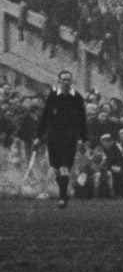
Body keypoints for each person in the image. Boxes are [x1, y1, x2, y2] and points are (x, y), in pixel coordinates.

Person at [32, 70, 89, 208]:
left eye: (68, 80)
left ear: (71, 81)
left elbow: (82, 120)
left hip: (69, 137)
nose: (66, 82)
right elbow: (45, 118)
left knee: (65, 167)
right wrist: (38, 137)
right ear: (59, 81)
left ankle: (62, 198)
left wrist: (83, 138)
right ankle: (63, 192)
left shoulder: (77, 98)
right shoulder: (52, 97)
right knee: (56, 167)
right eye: (63, 80)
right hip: (53, 137)